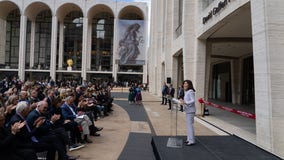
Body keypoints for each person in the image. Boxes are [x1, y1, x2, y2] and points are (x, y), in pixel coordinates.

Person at [179, 80, 196, 146]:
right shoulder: (187, 92)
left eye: (186, 83)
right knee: (189, 126)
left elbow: (193, 100)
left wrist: (185, 102)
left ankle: (191, 141)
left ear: (189, 84)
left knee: (190, 126)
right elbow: (188, 101)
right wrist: (183, 101)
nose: (184, 85)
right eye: (184, 83)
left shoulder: (191, 91)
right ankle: (189, 139)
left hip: (191, 111)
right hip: (188, 110)